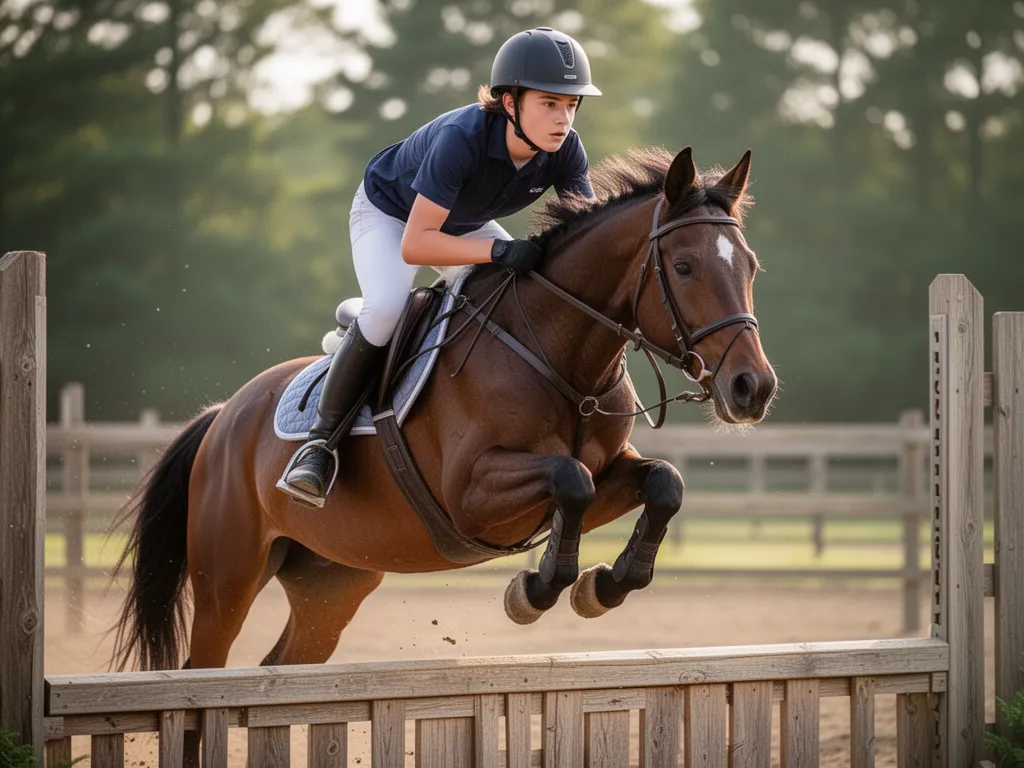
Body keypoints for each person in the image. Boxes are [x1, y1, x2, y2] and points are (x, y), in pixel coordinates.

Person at [280, 26, 603, 505]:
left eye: (571, 105)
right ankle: (319, 445)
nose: (563, 119)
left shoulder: (565, 149)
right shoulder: (461, 139)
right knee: (388, 304)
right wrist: (496, 252)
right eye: (549, 104)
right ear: (509, 103)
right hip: (392, 216)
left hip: (465, 219)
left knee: (518, 292)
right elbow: (417, 245)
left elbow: (584, 233)